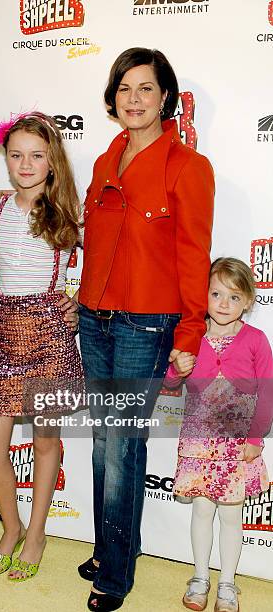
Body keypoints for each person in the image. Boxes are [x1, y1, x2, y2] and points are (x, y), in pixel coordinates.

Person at [75, 48, 215, 611]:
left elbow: (193, 257)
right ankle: (115, 546)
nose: (134, 99)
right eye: (124, 89)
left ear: (166, 99)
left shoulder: (189, 167)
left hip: (146, 325)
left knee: (124, 446)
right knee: (105, 441)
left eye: (146, 88)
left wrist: (188, 336)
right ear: (113, 100)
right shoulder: (104, 162)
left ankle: (115, 571)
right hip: (94, 317)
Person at [0, 111, 83, 582]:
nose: (25, 163)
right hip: (1, 331)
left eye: (36, 155)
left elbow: (101, 265)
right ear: (5, 157)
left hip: (49, 335)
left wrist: (77, 301)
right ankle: (11, 524)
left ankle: (36, 532)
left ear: (52, 160)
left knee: (45, 442)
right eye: (16, 154)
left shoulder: (69, 211)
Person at [166, 257, 273, 612]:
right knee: (201, 511)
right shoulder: (191, 337)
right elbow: (167, 385)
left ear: (247, 301)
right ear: (204, 296)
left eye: (234, 296)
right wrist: (175, 367)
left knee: (231, 516)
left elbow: (267, 393)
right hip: (198, 443)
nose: (224, 304)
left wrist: (255, 440)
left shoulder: (256, 340)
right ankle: (200, 577)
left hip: (237, 445)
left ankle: (227, 582)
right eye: (216, 294)